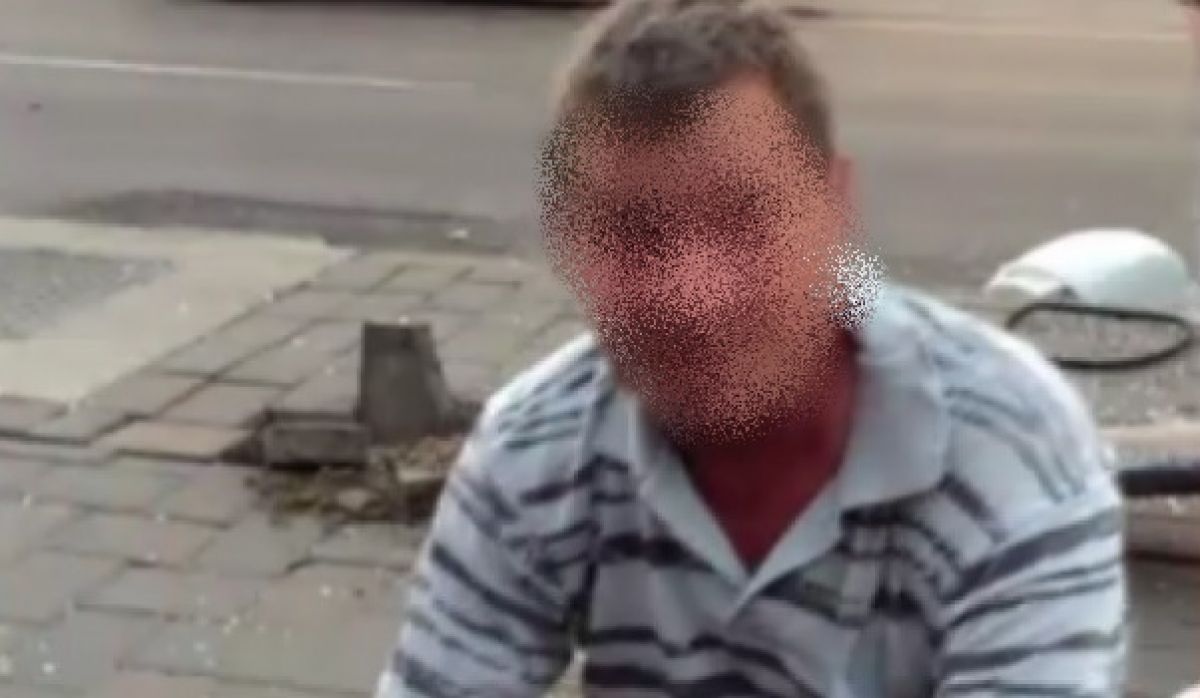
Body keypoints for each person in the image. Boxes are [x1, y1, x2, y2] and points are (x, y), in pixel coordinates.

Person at [374, 0, 1128, 695]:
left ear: (835, 208)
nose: (694, 295)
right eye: (635, 233)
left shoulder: (1013, 451)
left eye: (745, 219)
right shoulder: (535, 453)